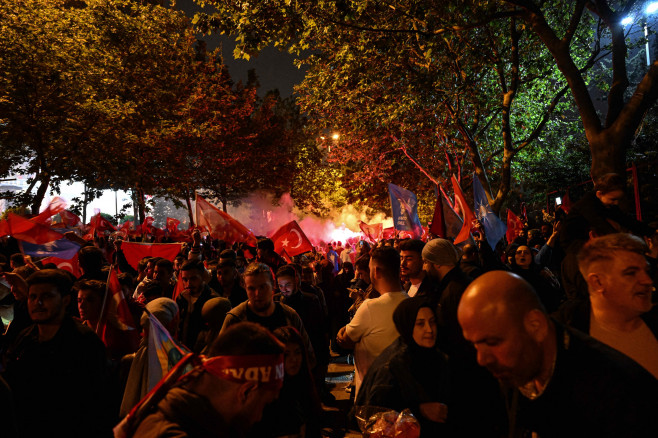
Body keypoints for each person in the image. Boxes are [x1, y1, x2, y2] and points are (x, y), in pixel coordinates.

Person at [458, 270, 658, 437]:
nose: (481, 359)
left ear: (535, 326)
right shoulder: (512, 368)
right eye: (475, 345)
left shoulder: (619, 396)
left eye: (492, 342)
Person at [2, 269, 112, 437]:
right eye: (33, 297)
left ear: (66, 300)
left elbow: (95, 403)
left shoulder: (84, 342)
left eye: (46, 297)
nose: (38, 303)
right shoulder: (25, 338)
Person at [128, 322, 285, 438]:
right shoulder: (168, 433)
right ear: (247, 391)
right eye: (265, 404)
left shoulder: (198, 422)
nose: (259, 417)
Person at [556, 233, 658, 378]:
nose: (647, 280)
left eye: (646, 271)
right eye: (630, 273)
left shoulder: (654, 320)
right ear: (598, 282)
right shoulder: (564, 340)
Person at [355, 297, 449, 437]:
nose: (429, 329)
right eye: (420, 324)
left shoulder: (435, 355)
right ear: (407, 326)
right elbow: (375, 417)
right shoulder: (393, 365)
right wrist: (420, 410)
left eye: (432, 322)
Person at [336, 246, 408, 397]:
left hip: (372, 395)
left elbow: (344, 338)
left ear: (376, 271)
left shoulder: (370, 307)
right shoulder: (411, 303)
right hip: (402, 393)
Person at [221, 262, 316, 367]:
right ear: (245, 288)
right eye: (251, 288)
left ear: (273, 285)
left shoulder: (289, 315)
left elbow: (308, 356)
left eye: (263, 287)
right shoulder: (235, 319)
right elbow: (220, 362)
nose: (257, 294)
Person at [176, 260, 219, 349]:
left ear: (202, 277)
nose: (188, 283)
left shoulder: (212, 299)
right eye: (185, 279)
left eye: (193, 278)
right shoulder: (181, 298)